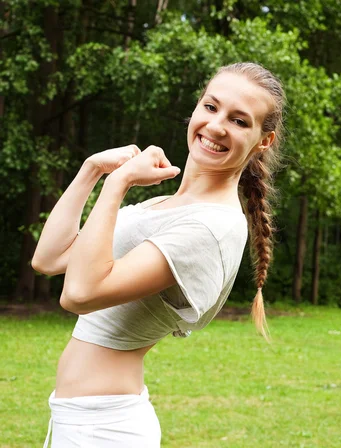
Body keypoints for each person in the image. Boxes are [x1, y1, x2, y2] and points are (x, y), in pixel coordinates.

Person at [32, 62, 285, 447]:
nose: (216, 126)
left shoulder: (210, 228)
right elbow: (50, 259)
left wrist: (118, 183)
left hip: (105, 429)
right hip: (80, 419)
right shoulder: (165, 204)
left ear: (263, 140)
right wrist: (93, 170)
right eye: (211, 107)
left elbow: (79, 294)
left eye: (239, 121)